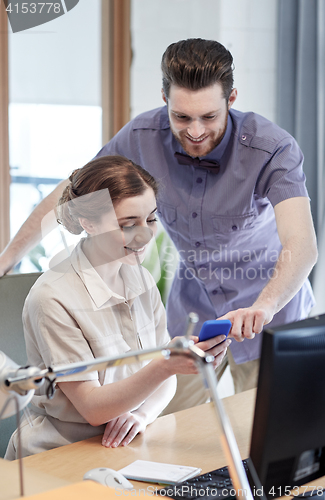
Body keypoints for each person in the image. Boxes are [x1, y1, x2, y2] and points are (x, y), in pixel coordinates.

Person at [0, 39, 317, 405]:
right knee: (166, 429)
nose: (195, 131)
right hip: (192, 317)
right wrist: (7, 259)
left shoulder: (271, 148)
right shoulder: (141, 137)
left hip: (268, 311)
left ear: (231, 100)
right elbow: (75, 192)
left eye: (209, 117)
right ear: (164, 99)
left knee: (267, 436)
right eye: (181, 117)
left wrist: (265, 306)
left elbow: (302, 244)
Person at [5, 155, 230, 459]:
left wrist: (142, 415)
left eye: (151, 219)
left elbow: (164, 381)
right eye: (128, 224)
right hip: (60, 451)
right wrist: (165, 365)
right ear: (88, 223)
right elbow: (93, 407)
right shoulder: (52, 297)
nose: (145, 235)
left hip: (129, 444)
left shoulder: (142, 280)